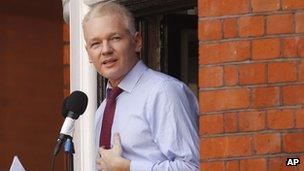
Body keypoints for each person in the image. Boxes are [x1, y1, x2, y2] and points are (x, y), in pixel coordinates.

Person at [82, 1, 199, 170]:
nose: (105, 50)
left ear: (137, 41)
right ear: (88, 54)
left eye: (115, 38)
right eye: (96, 44)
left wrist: (129, 167)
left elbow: (192, 167)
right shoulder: (103, 109)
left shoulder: (163, 92)